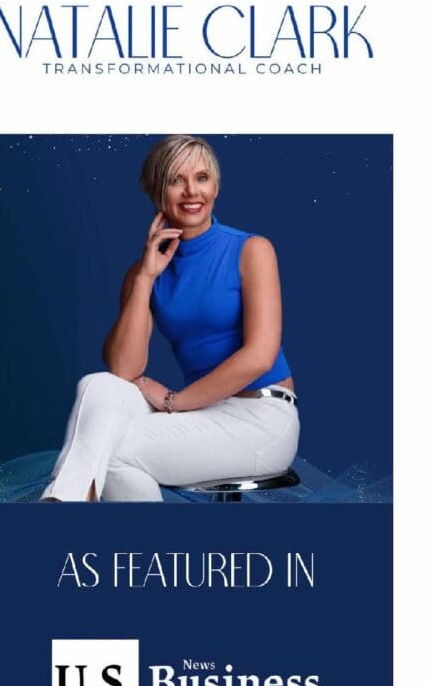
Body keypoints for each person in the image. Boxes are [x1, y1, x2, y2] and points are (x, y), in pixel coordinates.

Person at [41, 134, 299, 502]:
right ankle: (68, 501)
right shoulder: (144, 272)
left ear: (216, 187)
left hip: (261, 417)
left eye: (202, 178)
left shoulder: (251, 250)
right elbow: (122, 370)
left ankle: (69, 505)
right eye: (176, 180)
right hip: (203, 413)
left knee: (107, 448)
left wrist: (174, 403)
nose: (191, 191)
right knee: (97, 385)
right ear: (156, 191)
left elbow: (260, 356)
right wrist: (146, 276)